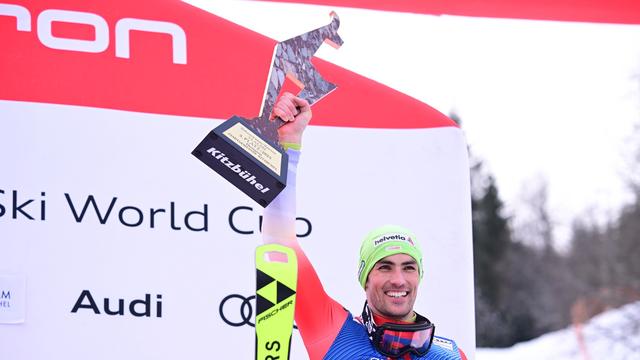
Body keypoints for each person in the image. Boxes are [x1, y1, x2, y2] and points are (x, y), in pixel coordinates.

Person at [262, 92, 467, 360]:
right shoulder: (333, 331)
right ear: (365, 277)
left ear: (419, 276)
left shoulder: (451, 354)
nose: (398, 279)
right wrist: (289, 143)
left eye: (409, 267)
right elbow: (280, 245)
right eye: (384, 266)